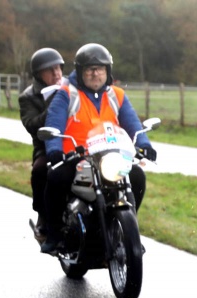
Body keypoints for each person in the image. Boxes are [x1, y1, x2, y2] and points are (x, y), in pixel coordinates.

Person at [40, 43, 156, 254]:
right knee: (56, 178)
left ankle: (129, 232)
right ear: (80, 71)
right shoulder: (67, 94)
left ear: (107, 71)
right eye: (90, 69)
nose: (95, 74)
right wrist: (54, 151)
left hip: (111, 155)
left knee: (137, 176)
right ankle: (54, 234)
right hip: (76, 157)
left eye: (100, 69)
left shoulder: (116, 95)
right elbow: (54, 124)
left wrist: (144, 145)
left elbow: (133, 124)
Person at [19, 47, 66, 241]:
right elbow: (31, 125)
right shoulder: (28, 97)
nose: (57, 73)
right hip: (46, 146)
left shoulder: (69, 88)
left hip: (76, 143)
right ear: (39, 74)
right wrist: (54, 107)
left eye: (58, 68)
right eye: (50, 70)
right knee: (40, 170)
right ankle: (43, 217)